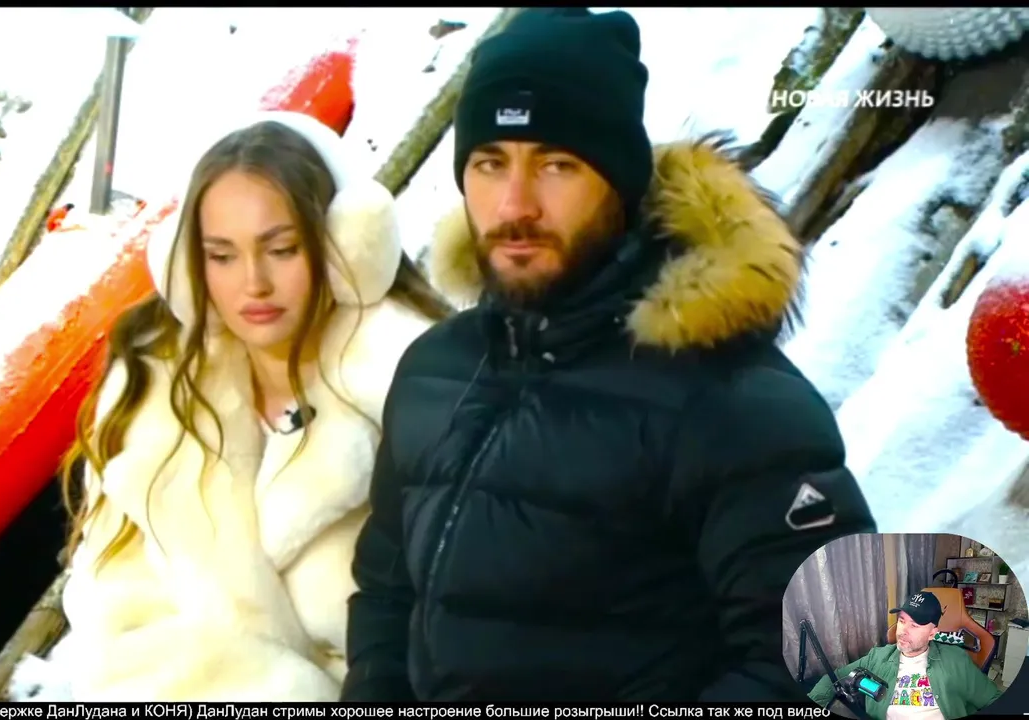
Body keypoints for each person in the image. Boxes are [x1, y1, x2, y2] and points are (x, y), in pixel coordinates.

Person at [342, 8, 877, 703]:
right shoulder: (436, 369)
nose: (515, 204)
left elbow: (831, 666)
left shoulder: (734, 402)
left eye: (556, 165)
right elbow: (387, 594)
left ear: (619, 183)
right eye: (490, 163)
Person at [49, 111, 450, 701]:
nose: (253, 282)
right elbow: (111, 605)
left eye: (281, 249)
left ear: (340, 245)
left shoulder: (420, 389)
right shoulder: (155, 398)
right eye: (221, 256)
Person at [808, 591, 1001, 718]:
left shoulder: (956, 660)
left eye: (914, 625)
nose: (903, 631)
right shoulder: (877, 657)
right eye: (901, 621)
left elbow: (992, 699)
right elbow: (832, 679)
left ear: (932, 633)